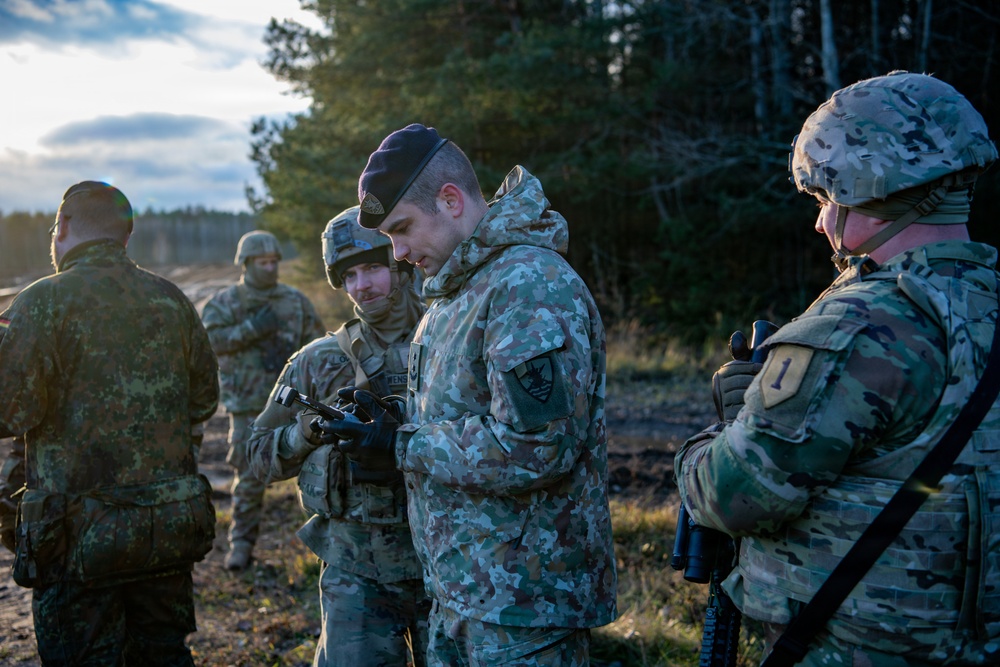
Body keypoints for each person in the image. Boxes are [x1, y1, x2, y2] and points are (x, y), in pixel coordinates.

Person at [675, 71, 1000, 666]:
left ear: (872, 191)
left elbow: (735, 495)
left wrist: (714, 436)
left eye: (829, 200)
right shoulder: (986, 302)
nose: (822, 222)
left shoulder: (859, 328)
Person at [318, 123, 618, 665]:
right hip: (463, 591)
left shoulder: (527, 285)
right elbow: (461, 413)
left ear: (451, 200)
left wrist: (401, 444)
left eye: (403, 229)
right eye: (390, 237)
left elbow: (536, 447)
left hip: (524, 610)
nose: (400, 252)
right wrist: (386, 419)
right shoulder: (456, 292)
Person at [0, 181, 220, 664]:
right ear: (126, 237)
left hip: (78, 541)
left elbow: (9, 412)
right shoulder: (172, 300)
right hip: (164, 531)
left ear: (62, 229)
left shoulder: (42, 303)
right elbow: (205, 399)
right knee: (162, 655)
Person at [246, 206, 430, 666]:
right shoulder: (317, 361)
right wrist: (303, 435)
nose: (361, 285)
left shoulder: (450, 342)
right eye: (349, 275)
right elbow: (254, 456)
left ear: (401, 265)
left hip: (444, 565)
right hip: (356, 572)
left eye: (372, 268)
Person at [202, 230, 324, 571]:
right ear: (245, 263)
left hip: (292, 404)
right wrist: (252, 328)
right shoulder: (225, 303)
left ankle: (320, 547)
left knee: (315, 471)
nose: (270, 269)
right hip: (248, 406)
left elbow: (319, 348)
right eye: (262, 263)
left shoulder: (296, 301)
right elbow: (210, 342)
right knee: (248, 476)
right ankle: (240, 545)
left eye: (274, 262)